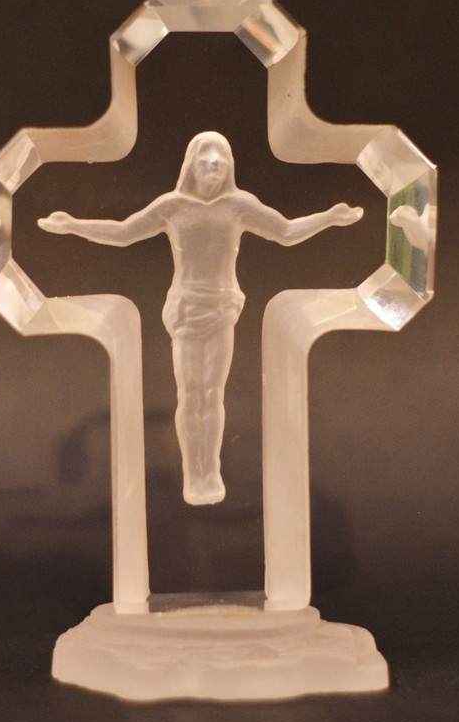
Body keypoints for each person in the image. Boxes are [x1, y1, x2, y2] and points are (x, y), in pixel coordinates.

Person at [39, 130, 363, 505]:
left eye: (219, 161)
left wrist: (329, 217)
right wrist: (74, 225)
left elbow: (286, 232)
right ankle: (193, 473)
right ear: (191, 166)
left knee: (212, 394)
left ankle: (211, 471)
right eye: (205, 161)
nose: (213, 166)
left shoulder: (239, 205)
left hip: (222, 307)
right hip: (186, 307)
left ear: (228, 166)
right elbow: (124, 233)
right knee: (190, 394)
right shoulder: (173, 206)